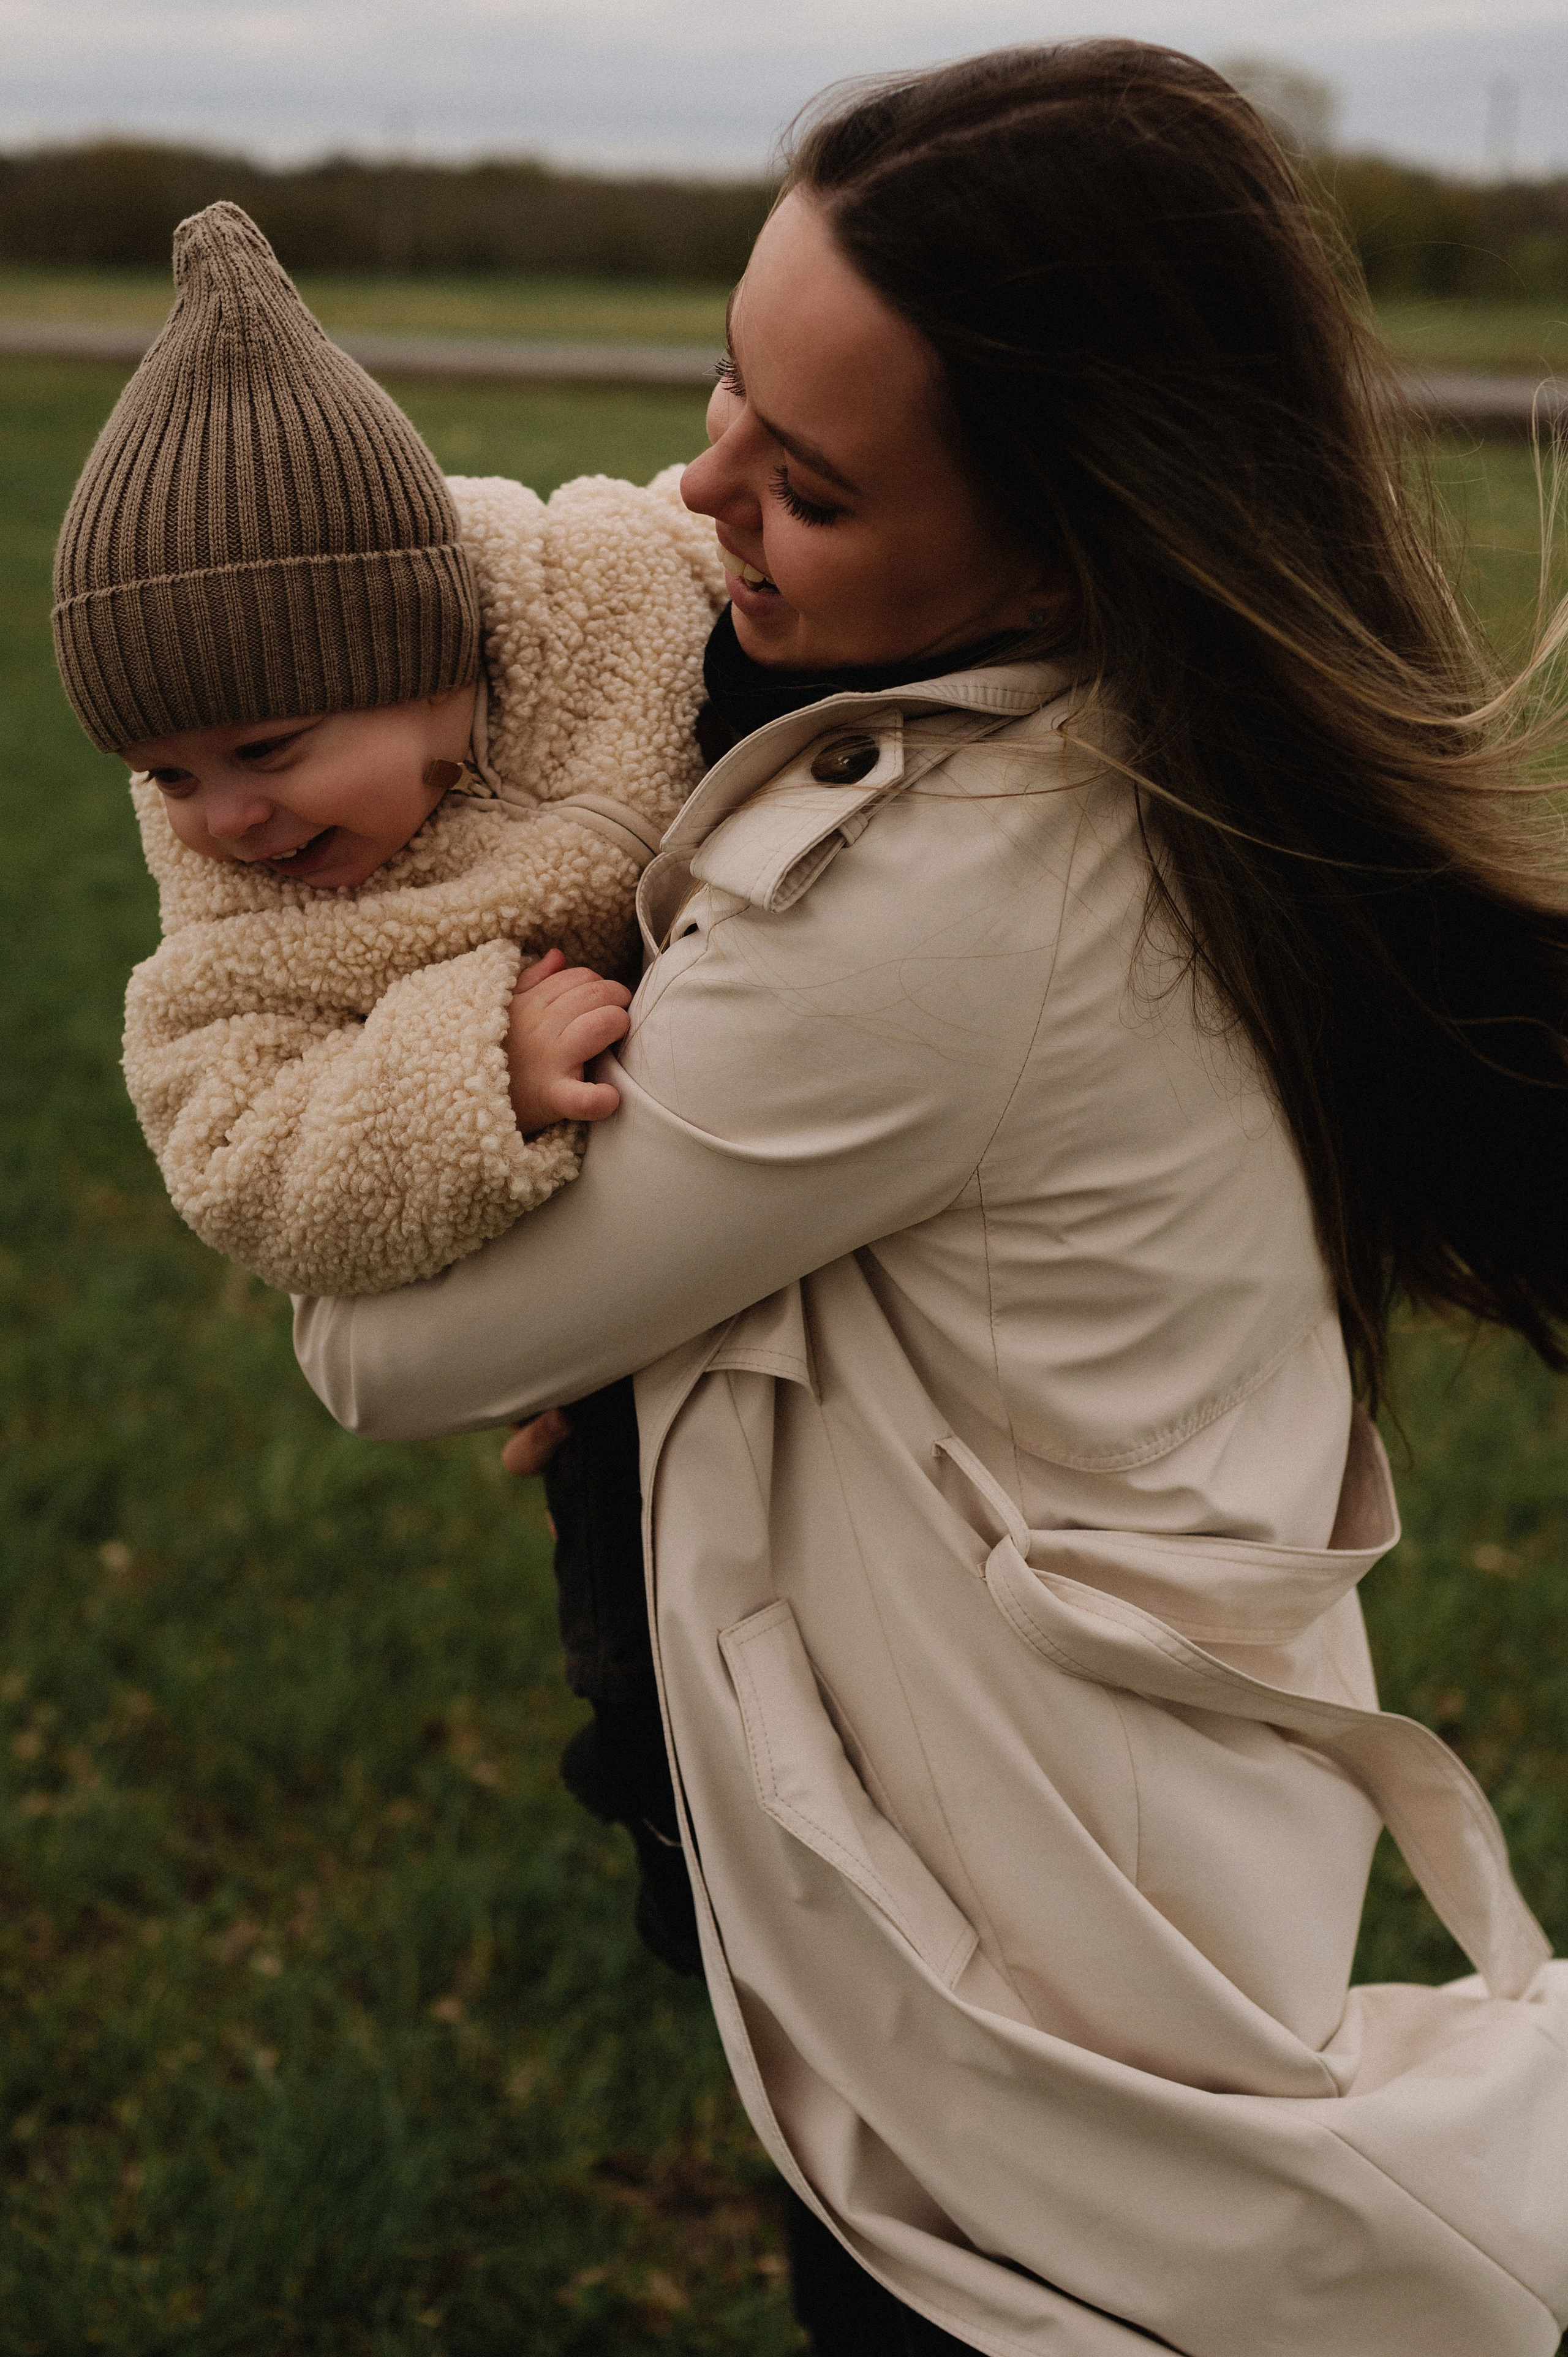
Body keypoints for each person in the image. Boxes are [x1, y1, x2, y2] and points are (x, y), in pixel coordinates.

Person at [295, 42, 1568, 2357]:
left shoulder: (945, 897)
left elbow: (377, 1343)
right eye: (727, 384)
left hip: (996, 1911)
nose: (704, 488)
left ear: (1079, 532)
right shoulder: (1135, 752)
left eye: (811, 484)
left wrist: (384, 1012)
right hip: (1039, 1826)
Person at [53, 199, 722, 1300]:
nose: (225, 819)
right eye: (169, 775)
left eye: (268, 748)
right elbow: (241, 1161)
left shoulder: (608, 592)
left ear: (426, 656)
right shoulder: (242, 931)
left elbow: (751, 547)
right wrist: (479, 1072)